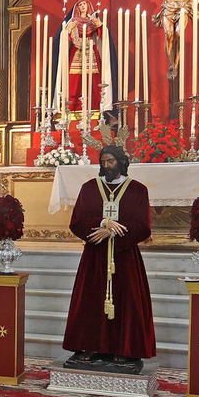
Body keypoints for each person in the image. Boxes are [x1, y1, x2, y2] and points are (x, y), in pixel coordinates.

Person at [62, 145, 156, 374]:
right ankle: (88, 347)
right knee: (90, 301)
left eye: (111, 161)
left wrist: (114, 232)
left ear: (121, 162)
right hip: (95, 257)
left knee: (127, 302)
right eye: (103, 161)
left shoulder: (137, 190)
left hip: (124, 258)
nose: (107, 166)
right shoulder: (89, 189)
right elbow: (77, 221)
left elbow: (143, 226)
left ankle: (124, 350)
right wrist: (102, 224)